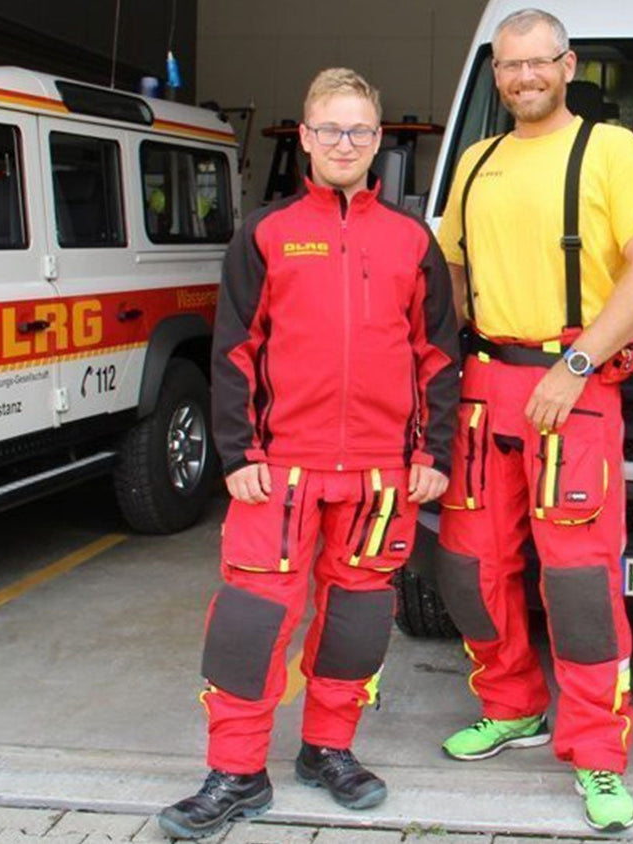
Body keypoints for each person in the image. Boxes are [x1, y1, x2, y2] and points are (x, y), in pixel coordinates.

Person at [158, 68, 459, 839]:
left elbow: (436, 356)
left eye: (361, 131)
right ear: (305, 136)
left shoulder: (411, 241)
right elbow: (234, 352)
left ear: (379, 141)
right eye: (331, 130)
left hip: (380, 476)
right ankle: (234, 773)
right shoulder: (264, 233)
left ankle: (328, 749)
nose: (346, 144)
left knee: (357, 622)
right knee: (252, 623)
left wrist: (434, 451)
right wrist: (236, 452)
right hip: (279, 471)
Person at [433, 7, 633, 833]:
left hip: (573, 387)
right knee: (469, 569)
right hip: (484, 386)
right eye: (509, 66)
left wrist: (576, 366)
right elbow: (454, 281)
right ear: (495, 75)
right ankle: (513, 706)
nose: (524, 78)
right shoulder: (475, 161)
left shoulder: (611, 152)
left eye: (539, 63)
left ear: (569, 67)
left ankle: (599, 754)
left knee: (577, 585)